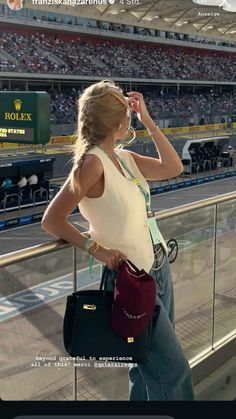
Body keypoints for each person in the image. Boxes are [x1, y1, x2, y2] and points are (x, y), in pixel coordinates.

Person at [41, 80, 194, 401]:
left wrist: (148, 121)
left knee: (142, 367)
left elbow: (173, 167)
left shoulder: (124, 157)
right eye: (128, 115)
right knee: (174, 371)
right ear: (120, 122)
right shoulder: (92, 164)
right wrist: (96, 249)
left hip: (157, 267)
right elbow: (52, 219)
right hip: (129, 280)